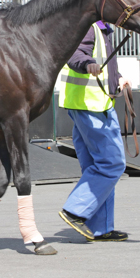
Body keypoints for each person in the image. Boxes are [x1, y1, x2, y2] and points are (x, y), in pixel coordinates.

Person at [57, 20, 131, 242]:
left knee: (96, 167)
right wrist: (87, 63)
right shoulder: (90, 26)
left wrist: (117, 78)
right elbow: (75, 53)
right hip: (93, 107)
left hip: (85, 105)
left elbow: (103, 67)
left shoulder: (102, 28)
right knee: (112, 164)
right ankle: (75, 210)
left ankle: (100, 227)